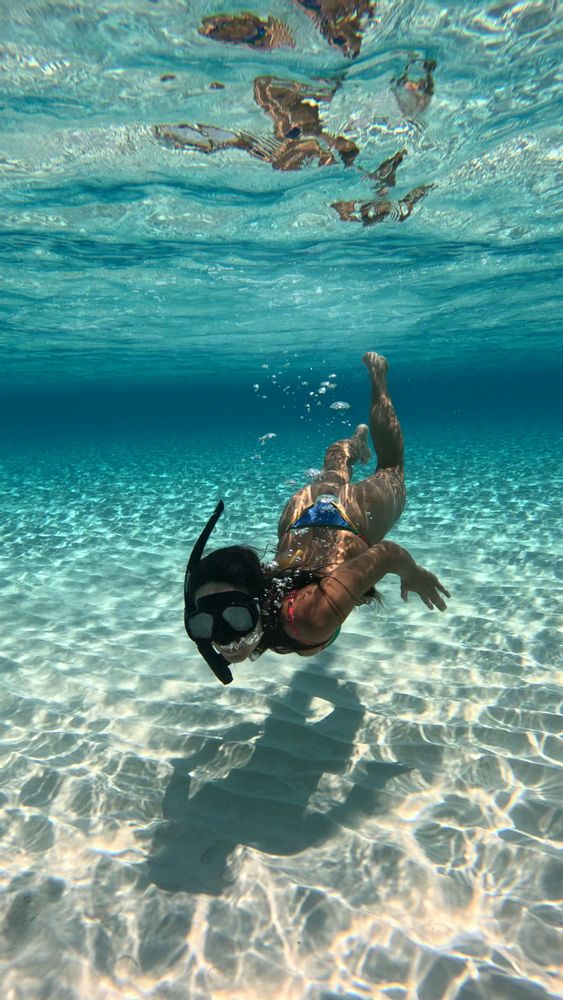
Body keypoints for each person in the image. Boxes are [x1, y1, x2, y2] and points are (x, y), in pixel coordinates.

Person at [184, 353, 450, 684]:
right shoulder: (240, 620)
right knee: (334, 463)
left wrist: (412, 573)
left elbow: (387, 553)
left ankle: (378, 378)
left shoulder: (312, 617)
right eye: (203, 626)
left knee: (391, 468)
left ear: (262, 599)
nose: (222, 638)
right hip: (299, 519)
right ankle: (353, 445)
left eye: (236, 616)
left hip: (352, 520)